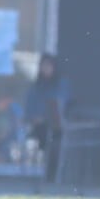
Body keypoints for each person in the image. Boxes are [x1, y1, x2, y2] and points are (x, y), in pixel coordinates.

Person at [23, 53, 71, 182]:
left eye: (48, 65)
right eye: (43, 65)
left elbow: (61, 105)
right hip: (40, 127)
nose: (45, 68)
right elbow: (30, 108)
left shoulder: (61, 85)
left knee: (56, 140)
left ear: (54, 67)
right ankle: (48, 171)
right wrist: (34, 118)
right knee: (44, 135)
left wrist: (47, 117)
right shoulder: (36, 87)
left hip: (58, 126)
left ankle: (53, 172)